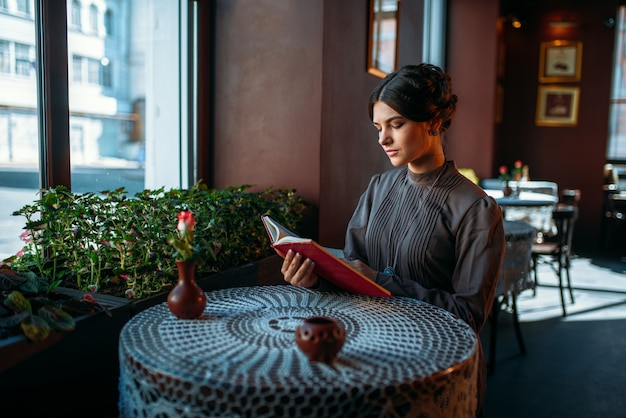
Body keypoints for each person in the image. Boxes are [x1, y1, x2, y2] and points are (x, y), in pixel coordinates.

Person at [281, 63, 505, 417]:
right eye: (378, 127)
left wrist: (379, 280)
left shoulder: (476, 208)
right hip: (368, 350)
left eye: (395, 125)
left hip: (435, 367)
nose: (382, 139)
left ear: (433, 122)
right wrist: (316, 277)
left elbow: (469, 315)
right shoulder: (378, 187)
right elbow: (351, 272)